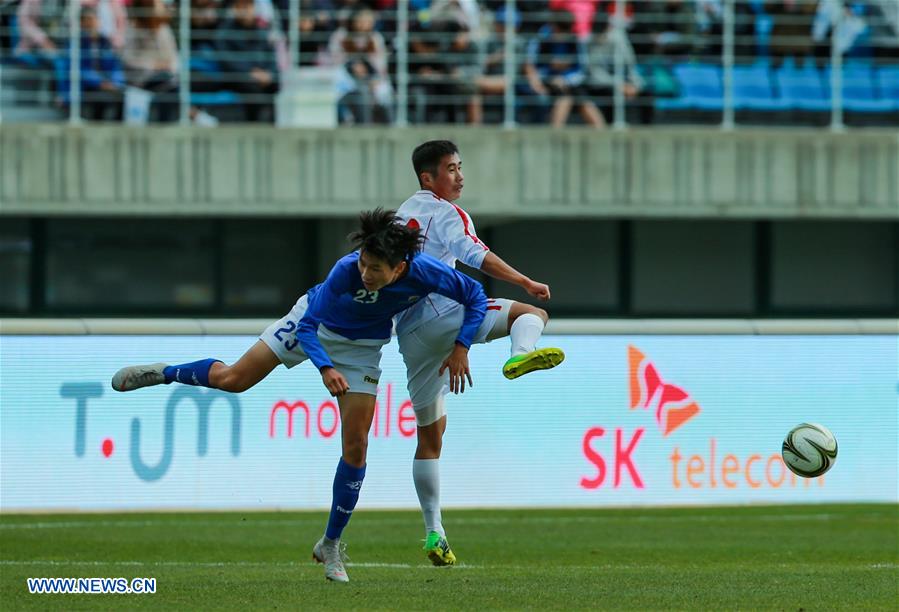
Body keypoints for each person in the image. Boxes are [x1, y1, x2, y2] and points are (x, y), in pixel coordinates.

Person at [110, 208, 488, 584]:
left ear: (400, 269)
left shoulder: (425, 272)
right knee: (234, 379)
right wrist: (325, 367)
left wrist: (461, 347)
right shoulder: (346, 269)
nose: (366, 274)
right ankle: (163, 373)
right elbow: (308, 327)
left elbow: (475, 294)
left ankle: (331, 545)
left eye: (376, 270)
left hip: (361, 348)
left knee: (356, 446)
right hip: (313, 323)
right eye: (364, 264)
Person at [394, 140, 565, 566]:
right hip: (441, 313)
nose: (460, 175)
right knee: (531, 314)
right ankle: (519, 354)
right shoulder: (447, 212)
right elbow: (476, 255)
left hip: (409, 334)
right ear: (428, 178)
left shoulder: (402, 214)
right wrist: (524, 281)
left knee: (431, 437)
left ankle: (434, 533)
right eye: (451, 168)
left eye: (460, 166)